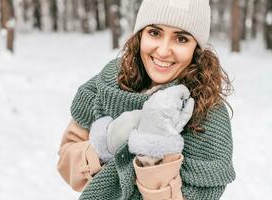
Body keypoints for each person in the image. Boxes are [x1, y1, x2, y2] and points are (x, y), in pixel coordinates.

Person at [57, 0, 236, 199]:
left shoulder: (208, 111)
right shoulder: (109, 82)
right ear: (140, 34)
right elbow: (67, 166)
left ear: (196, 48)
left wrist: (154, 149)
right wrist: (107, 142)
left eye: (181, 39)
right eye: (155, 33)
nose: (163, 51)